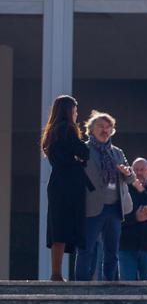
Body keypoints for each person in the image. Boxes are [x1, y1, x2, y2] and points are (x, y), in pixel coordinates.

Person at [76, 111, 136, 282]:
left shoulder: (117, 152)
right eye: (101, 126)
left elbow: (131, 178)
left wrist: (127, 172)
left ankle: (110, 284)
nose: (105, 130)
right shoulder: (84, 150)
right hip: (91, 205)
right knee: (86, 248)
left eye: (109, 127)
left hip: (115, 207)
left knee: (112, 250)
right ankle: (80, 285)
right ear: (91, 129)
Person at [41, 95, 91, 281]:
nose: (76, 114)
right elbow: (84, 152)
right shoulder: (69, 129)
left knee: (57, 228)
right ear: (69, 111)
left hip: (56, 182)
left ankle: (56, 273)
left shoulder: (51, 131)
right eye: (75, 110)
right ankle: (60, 274)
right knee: (69, 226)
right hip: (70, 183)